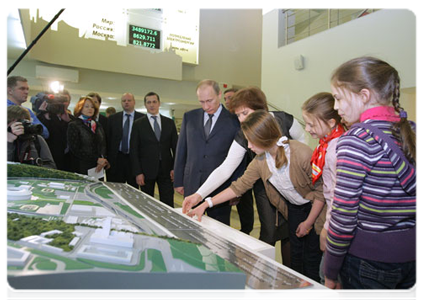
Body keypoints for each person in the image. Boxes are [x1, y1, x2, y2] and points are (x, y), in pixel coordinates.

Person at [184, 110, 325, 282]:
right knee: (296, 258)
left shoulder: (301, 153)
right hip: (293, 210)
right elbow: (238, 187)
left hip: (318, 210)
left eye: (251, 141)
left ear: (263, 137)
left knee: (312, 259)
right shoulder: (260, 161)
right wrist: (205, 204)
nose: (249, 146)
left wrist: (309, 222)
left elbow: (321, 191)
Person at [324, 57, 420, 299]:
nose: (336, 107)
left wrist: (331, 270)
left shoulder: (355, 141)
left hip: (369, 261)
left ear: (364, 95)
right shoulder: (416, 131)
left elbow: (344, 216)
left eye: (338, 97)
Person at [183, 86, 306, 266]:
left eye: (245, 113)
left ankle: (295, 274)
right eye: (238, 115)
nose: (242, 119)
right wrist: (199, 196)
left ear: (260, 108)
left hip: (296, 188)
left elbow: (302, 140)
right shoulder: (245, 137)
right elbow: (226, 169)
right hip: (265, 186)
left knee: (294, 233)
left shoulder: (285, 119)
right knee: (269, 232)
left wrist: (291, 168)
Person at [174, 79, 245, 226]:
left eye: (210, 100)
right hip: (192, 181)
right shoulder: (190, 117)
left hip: (221, 187)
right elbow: (181, 150)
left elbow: (239, 159)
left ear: (219, 94)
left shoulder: (234, 120)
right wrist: (178, 180)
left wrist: (235, 188)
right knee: (190, 226)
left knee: (218, 228)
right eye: (202, 102)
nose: (206, 106)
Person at [301, 92, 345, 292]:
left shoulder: (335, 150)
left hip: (337, 223)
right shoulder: (326, 144)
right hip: (335, 219)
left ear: (331, 122)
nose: (307, 129)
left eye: (311, 124)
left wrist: (327, 228)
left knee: (328, 278)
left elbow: (338, 195)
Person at [130, 92, 178, 207]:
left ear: (159, 103)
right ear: (145, 105)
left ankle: (167, 224)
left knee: (168, 202)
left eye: (154, 102)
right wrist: (138, 172)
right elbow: (134, 150)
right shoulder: (138, 124)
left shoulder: (169, 123)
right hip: (146, 171)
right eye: (149, 102)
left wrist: (175, 168)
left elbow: (176, 148)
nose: (152, 105)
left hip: (166, 170)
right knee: (147, 203)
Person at [107, 93, 144, 187]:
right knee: (115, 188)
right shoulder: (113, 119)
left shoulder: (143, 119)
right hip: (117, 160)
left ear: (134, 102)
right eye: (124, 101)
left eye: (129, 100)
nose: (126, 102)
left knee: (133, 190)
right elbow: (108, 139)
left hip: (134, 160)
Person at [67, 96, 109, 175]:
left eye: (92, 107)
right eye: (86, 106)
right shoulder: (74, 125)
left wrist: (102, 160)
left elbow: (103, 144)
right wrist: (96, 159)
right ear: (80, 108)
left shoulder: (97, 125)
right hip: (81, 167)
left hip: (98, 167)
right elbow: (75, 149)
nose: (90, 109)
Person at [37, 93, 75, 171]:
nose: (61, 104)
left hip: (67, 160)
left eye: (64, 101)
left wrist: (68, 122)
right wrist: (44, 115)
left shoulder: (72, 120)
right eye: (58, 101)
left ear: (68, 103)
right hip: (49, 156)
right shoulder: (44, 116)